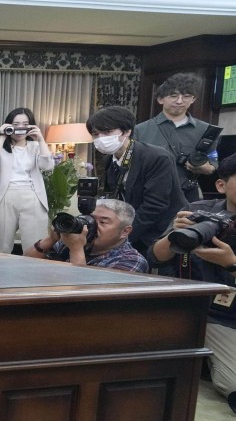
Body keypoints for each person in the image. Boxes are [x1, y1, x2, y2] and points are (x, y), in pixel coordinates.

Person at [149, 153, 236, 414]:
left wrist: (231, 265)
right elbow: (155, 257)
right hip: (198, 310)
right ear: (221, 186)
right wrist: (176, 235)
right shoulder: (199, 210)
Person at [86, 106, 185, 256]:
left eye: (107, 132)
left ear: (127, 131)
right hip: (130, 228)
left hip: (161, 231)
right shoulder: (109, 159)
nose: (101, 139)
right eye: (95, 134)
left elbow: (155, 206)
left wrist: (122, 238)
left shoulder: (156, 157)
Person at [133, 72, 220, 203]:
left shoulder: (206, 130)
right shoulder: (140, 130)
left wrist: (207, 168)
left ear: (193, 99)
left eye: (186, 96)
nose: (179, 101)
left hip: (188, 195)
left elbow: (213, 162)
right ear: (160, 99)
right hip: (149, 195)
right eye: (173, 96)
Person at [0, 107, 54, 253]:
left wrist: (41, 139)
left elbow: (47, 166)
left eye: (25, 124)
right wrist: (2, 137)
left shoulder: (36, 146)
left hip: (32, 195)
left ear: (31, 126)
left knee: (34, 245)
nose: (20, 128)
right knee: (2, 246)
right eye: (15, 124)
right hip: (5, 195)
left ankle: (31, 274)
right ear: (8, 125)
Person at [25, 198, 149, 272]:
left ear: (125, 231)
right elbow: (26, 265)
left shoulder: (131, 260)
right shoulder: (67, 243)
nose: (92, 226)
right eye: (91, 219)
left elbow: (84, 294)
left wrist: (76, 249)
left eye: (103, 222)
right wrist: (50, 239)